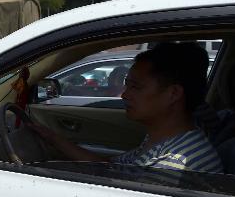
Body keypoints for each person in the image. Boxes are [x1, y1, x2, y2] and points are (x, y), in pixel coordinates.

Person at [31, 43, 223, 174]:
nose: (124, 95)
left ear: (173, 94)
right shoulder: (164, 140)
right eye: (126, 85)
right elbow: (112, 168)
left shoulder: (171, 164)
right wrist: (53, 139)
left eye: (136, 87)